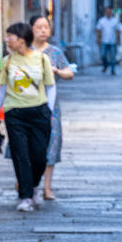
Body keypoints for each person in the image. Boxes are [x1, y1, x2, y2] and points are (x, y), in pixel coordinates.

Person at [0, 21, 55, 213]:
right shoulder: (8, 61)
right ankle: (26, 196)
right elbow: (1, 90)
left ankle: (33, 186)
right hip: (15, 113)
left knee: (40, 156)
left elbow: (50, 86)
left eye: (11, 37)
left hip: (39, 112)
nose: (7, 40)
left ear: (22, 39)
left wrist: (48, 109)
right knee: (21, 155)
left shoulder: (41, 59)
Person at [30, 15, 75, 201]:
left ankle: (47, 187)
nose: (43, 30)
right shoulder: (25, 51)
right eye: (39, 27)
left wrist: (56, 71)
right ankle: (28, 182)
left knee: (51, 144)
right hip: (27, 104)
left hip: (51, 107)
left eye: (46, 27)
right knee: (28, 145)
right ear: (31, 29)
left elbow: (70, 72)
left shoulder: (55, 52)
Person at [96, 7, 120, 74]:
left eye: (110, 12)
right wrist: (98, 39)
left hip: (112, 41)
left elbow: (118, 31)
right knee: (103, 55)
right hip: (104, 41)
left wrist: (118, 39)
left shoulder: (115, 21)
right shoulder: (101, 21)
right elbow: (98, 30)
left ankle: (112, 70)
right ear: (105, 13)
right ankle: (105, 65)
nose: (109, 13)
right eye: (107, 12)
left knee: (113, 56)